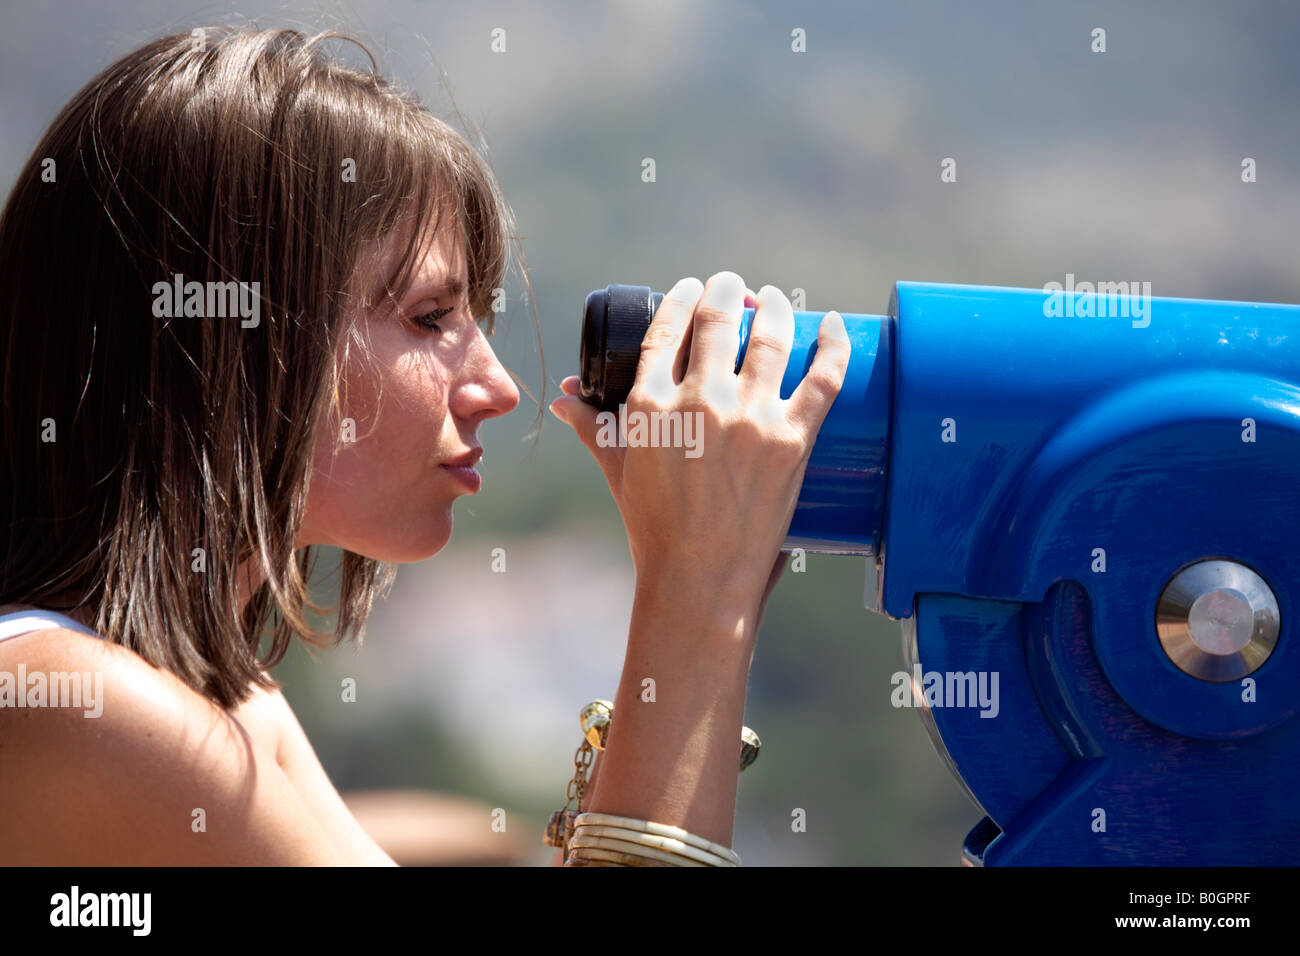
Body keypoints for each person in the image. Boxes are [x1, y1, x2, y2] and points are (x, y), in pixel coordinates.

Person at [0, 25, 848, 865]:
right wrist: (696, 595)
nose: (499, 387)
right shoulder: (84, 708)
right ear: (226, 342)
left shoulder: (224, 700)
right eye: (430, 318)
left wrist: (707, 587)